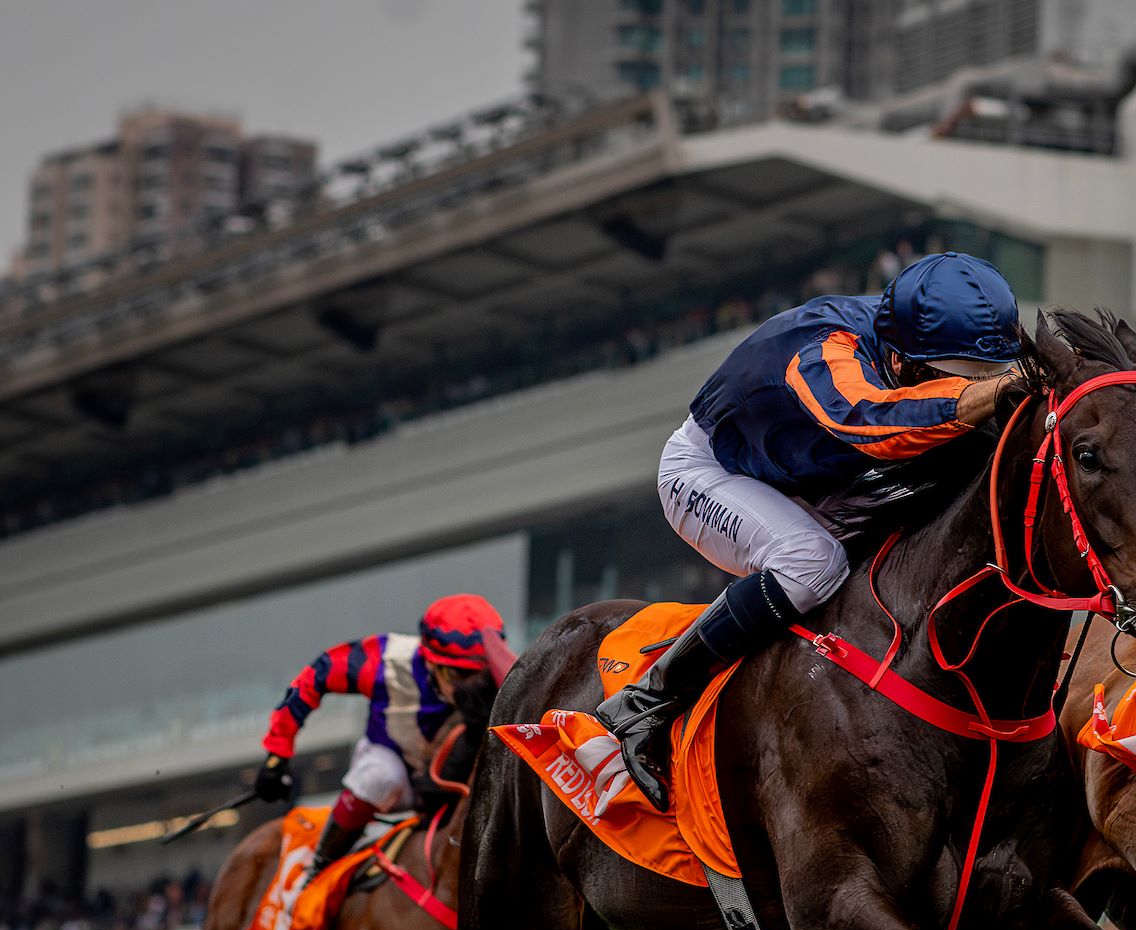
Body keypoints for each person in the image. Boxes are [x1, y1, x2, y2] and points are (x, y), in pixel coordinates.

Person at [596, 252, 1027, 810]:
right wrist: (994, 394)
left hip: (816, 472)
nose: (982, 389)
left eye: (988, 376)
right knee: (812, 562)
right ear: (903, 359)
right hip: (712, 472)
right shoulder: (824, 350)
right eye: (967, 380)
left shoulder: (916, 343)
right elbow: (872, 424)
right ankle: (651, 697)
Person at [250, 594, 517, 876]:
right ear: (431, 663)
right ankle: (318, 868)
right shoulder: (384, 660)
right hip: (394, 768)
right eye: (456, 675)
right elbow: (313, 679)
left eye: (479, 675)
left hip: (450, 784)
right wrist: (277, 755)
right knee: (380, 777)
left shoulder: (507, 680)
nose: (469, 686)